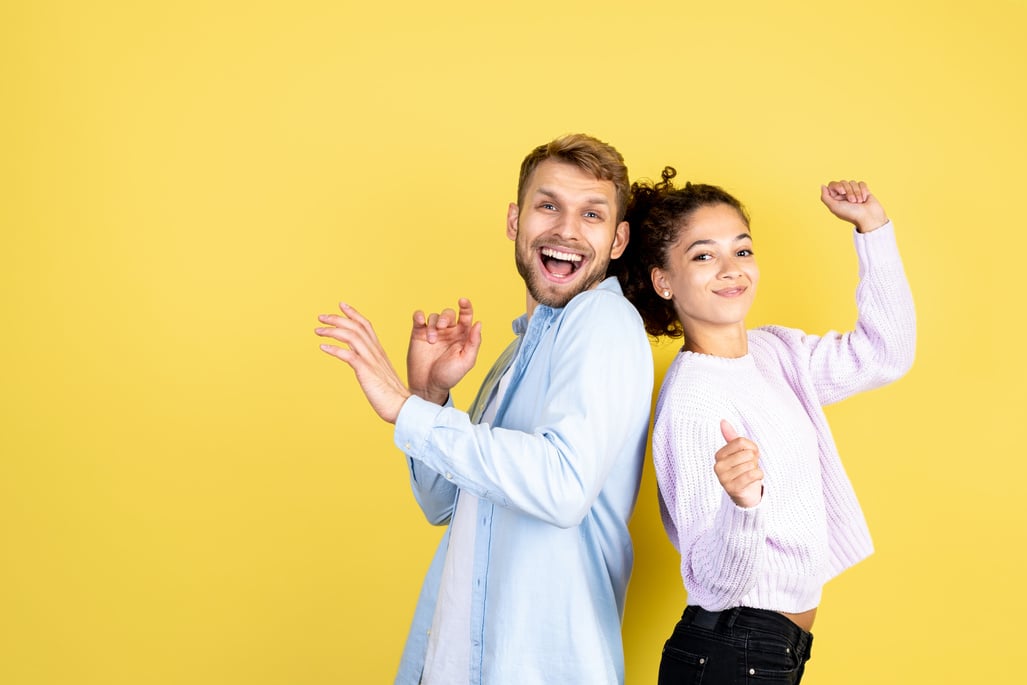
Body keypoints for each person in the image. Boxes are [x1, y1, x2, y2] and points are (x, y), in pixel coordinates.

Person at [315, 134, 654, 685]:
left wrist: (406, 409)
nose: (566, 230)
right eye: (548, 206)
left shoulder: (603, 321)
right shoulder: (519, 352)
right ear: (514, 221)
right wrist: (430, 396)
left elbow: (562, 486)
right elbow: (443, 503)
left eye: (591, 214)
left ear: (617, 241)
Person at [613, 168, 915, 684]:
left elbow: (884, 356)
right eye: (704, 255)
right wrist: (742, 505)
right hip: (731, 649)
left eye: (743, 250)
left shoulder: (775, 353)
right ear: (664, 281)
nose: (731, 269)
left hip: (768, 650)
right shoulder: (692, 399)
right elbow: (712, 582)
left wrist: (873, 228)